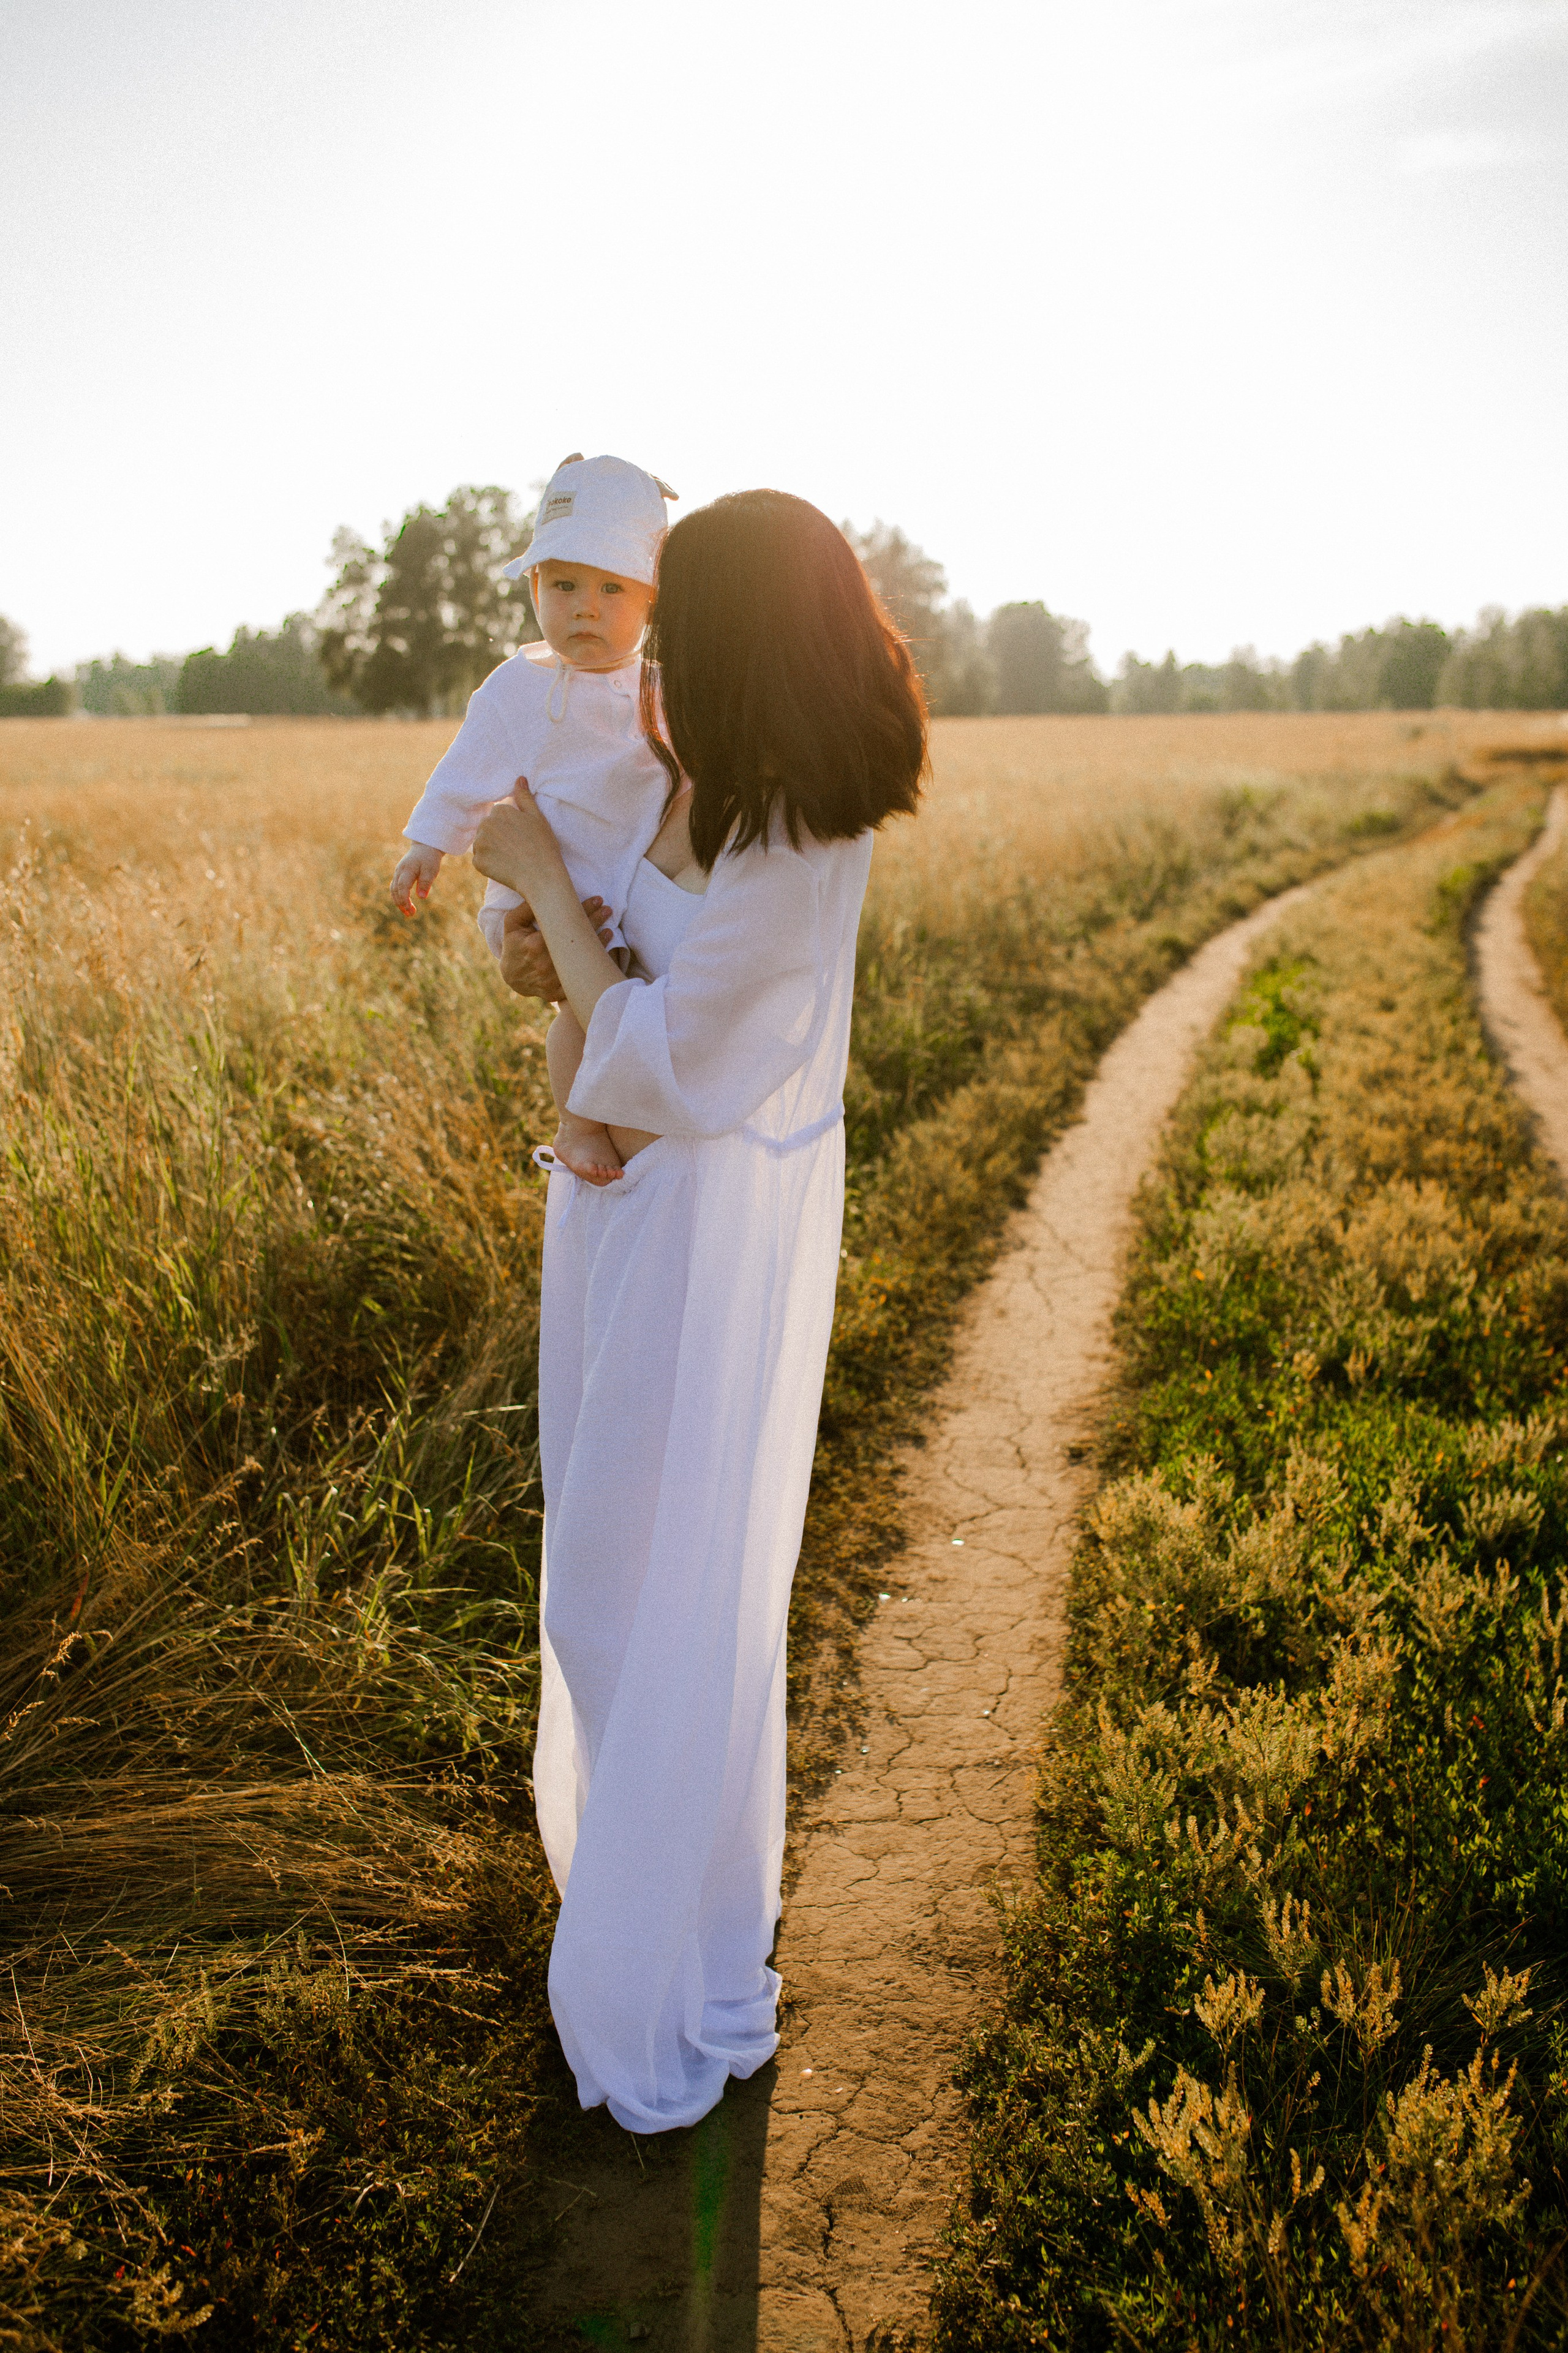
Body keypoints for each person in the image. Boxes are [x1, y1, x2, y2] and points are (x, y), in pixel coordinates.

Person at [472, 489, 927, 2133]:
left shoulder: (805, 843)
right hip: (621, 1217)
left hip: (705, 1233)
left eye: (674, 635)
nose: (644, 658)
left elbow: (667, 1067)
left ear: (740, 649)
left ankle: (654, 1989)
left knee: (643, 1598)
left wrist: (535, 875)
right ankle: (659, 1929)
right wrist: (554, 944)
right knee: (616, 1576)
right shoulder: (727, 798)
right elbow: (619, 1000)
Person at [391, 451, 678, 1185]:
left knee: (622, 1007)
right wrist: (428, 846)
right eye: (564, 584)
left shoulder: (662, 690)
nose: (586, 605)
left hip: (627, 890)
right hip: (544, 891)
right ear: (532, 587)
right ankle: (577, 1123)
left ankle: (622, 1124)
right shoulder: (517, 688)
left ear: (653, 597)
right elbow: (461, 776)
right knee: (575, 1015)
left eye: (613, 586)